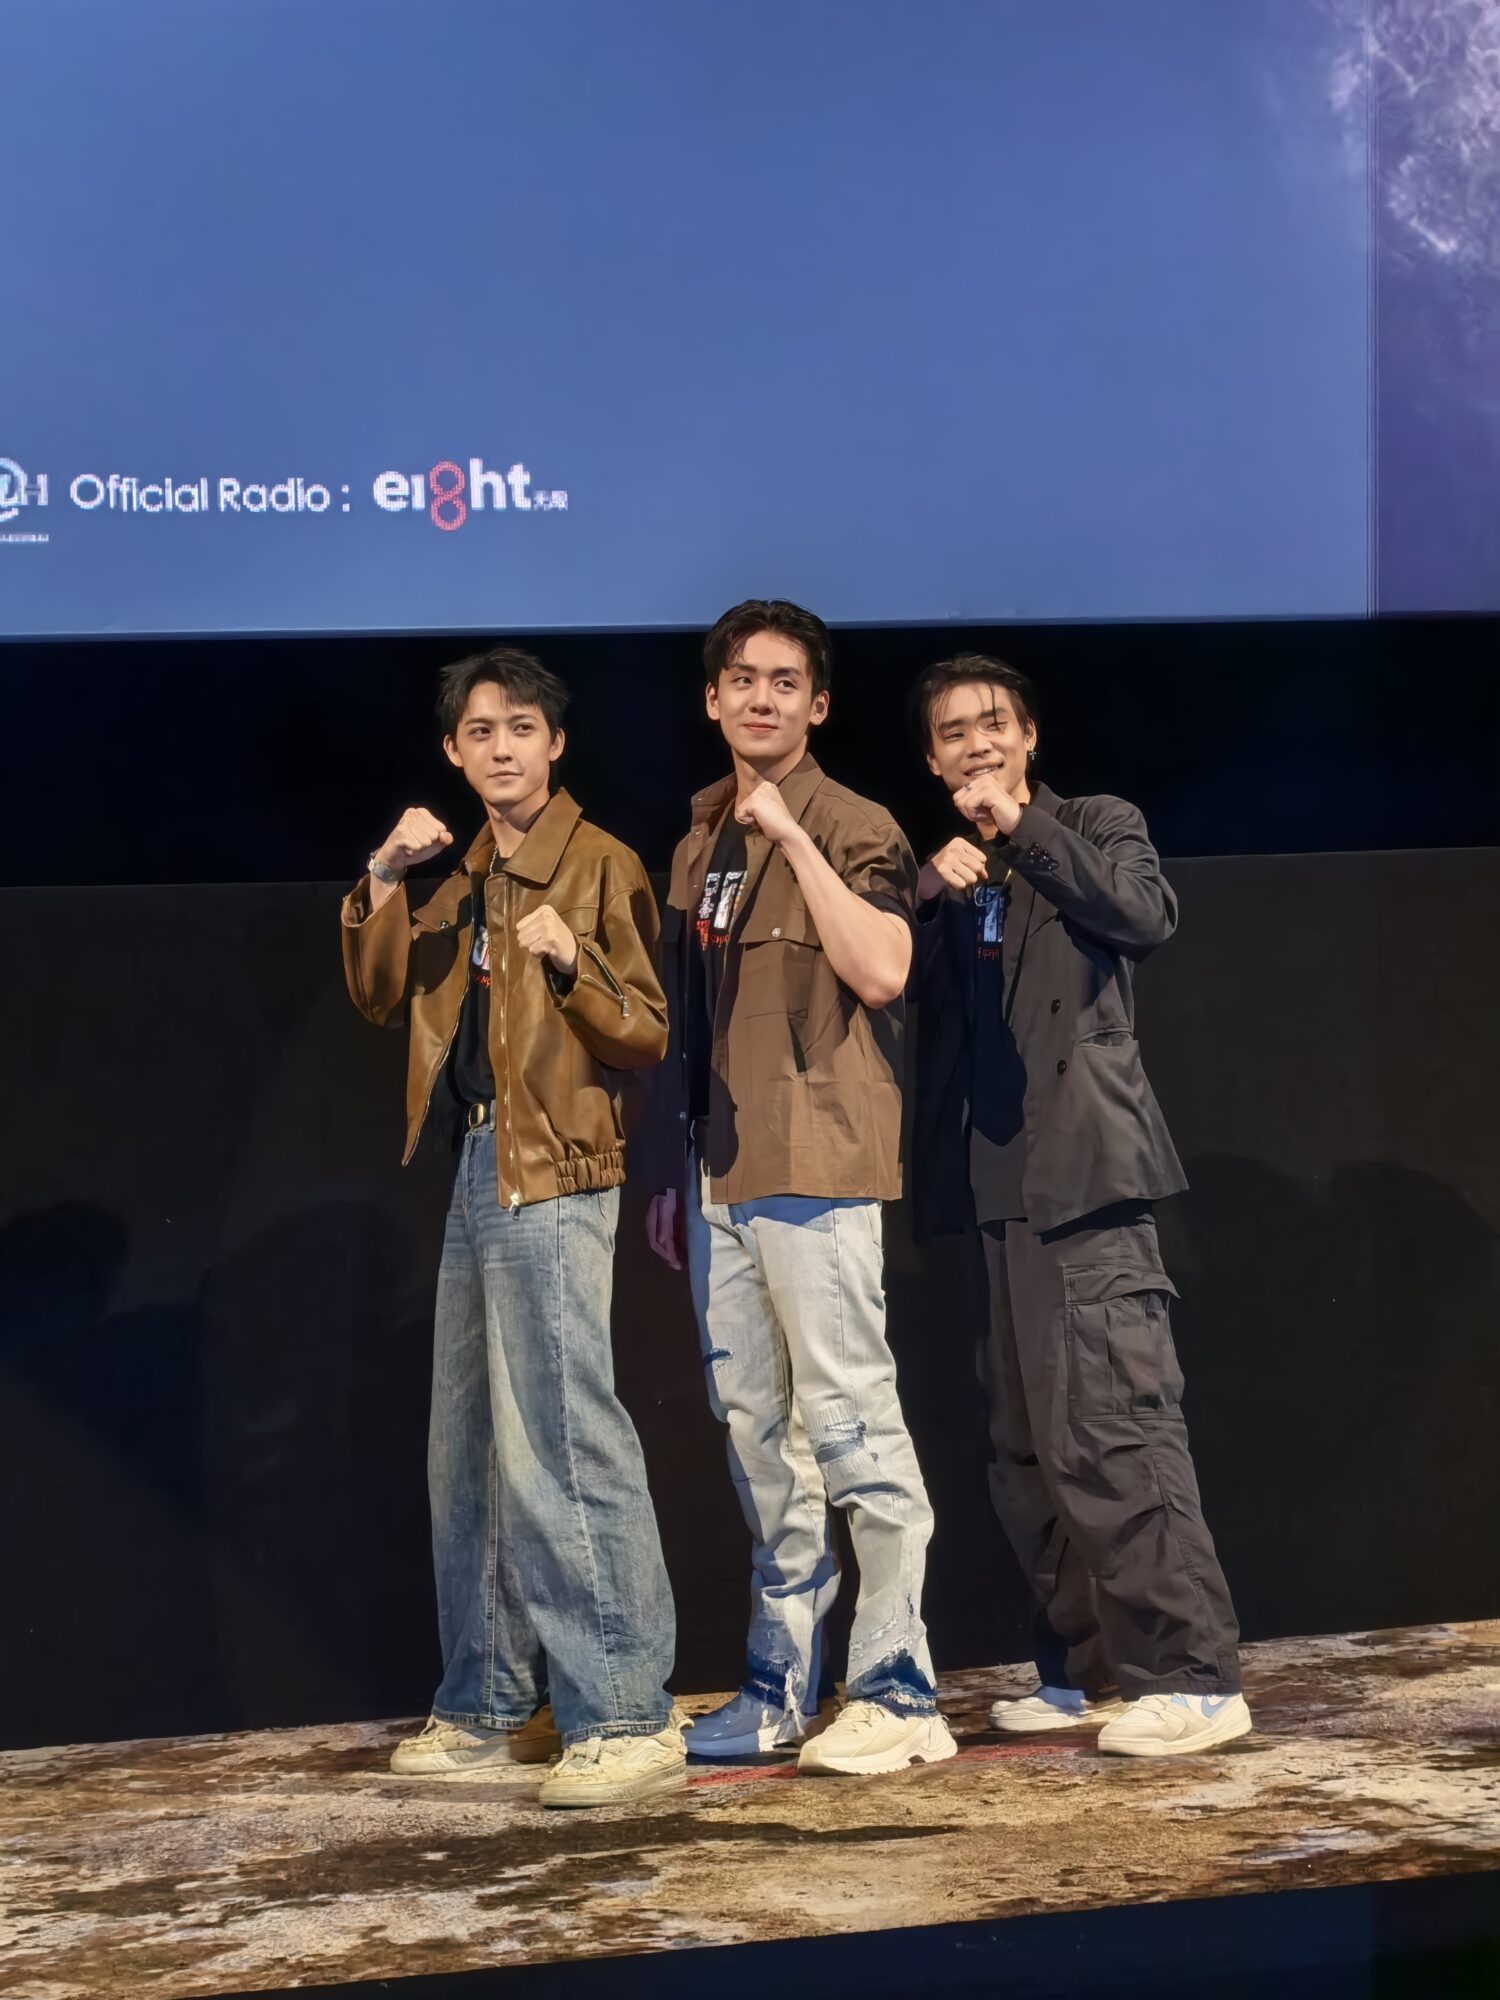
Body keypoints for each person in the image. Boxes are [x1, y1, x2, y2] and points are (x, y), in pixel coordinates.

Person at [341, 646, 685, 1807]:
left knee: (561, 1434)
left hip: (560, 1163)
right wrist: (384, 874)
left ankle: (625, 1711)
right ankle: (490, 1698)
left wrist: (572, 958)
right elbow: (380, 992)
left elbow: (645, 1027)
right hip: (480, 1161)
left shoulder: (598, 862)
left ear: (556, 743)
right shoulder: (463, 875)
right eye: (480, 730)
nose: (502, 747)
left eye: (522, 727)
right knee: (473, 1446)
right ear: (453, 750)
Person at [910, 654, 1250, 1757]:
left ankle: (1192, 1674)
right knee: (1027, 1452)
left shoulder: (1095, 823)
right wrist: (928, 899)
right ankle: (1088, 1669)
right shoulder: (957, 875)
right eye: (953, 732)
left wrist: (1027, 830)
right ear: (932, 760)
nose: (976, 744)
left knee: (1115, 1427)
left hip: (1089, 1178)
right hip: (996, 1193)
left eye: (993, 724)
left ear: (1029, 738)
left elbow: (1146, 915)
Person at [639, 599, 955, 1777]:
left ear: (817, 705)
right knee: (760, 1439)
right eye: (742, 678)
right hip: (720, 1169)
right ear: (712, 698)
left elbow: (883, 969)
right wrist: (672, 1166)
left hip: (816, 1159)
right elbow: (689, 1025)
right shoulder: (698, 840)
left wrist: (794, 838)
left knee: (853, 1422)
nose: (761, 697)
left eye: (785, 681)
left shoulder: (853, 822)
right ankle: (779, 1688)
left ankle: (899, 1688)